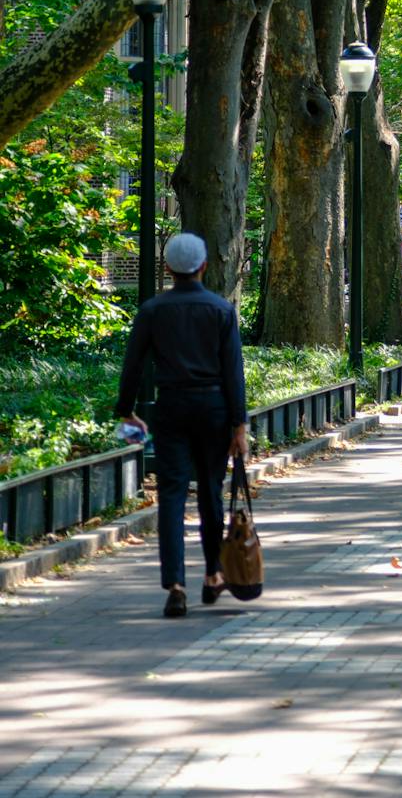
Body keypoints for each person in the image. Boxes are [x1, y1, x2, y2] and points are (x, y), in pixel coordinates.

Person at [114, 234, 249, 618]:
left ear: (168, 268)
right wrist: (239, 425)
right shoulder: (221, 310)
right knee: (210, 492)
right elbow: (233, 372)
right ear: (204, 266)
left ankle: (175, 585)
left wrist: (126, 410)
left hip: (171, 406)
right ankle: (212, 574)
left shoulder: (152, 310)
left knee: (171, 495)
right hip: (214, 408)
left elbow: (133, 364)